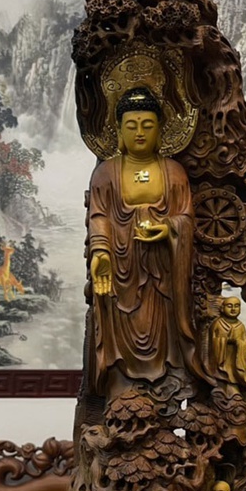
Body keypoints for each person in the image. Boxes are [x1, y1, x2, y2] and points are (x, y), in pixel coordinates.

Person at [87, 86, 201, 395]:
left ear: (160, 130)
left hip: (162, 270)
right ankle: (121, 385)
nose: (139, 133)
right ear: (119, 131)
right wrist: (101, 254)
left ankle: (169, 380)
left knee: (162, 327)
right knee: (121, 322)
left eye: (148, 125)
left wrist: (169, 229)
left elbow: (186, 217)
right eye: (132, 125)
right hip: (122, 267)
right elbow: (99, 215)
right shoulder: (106, 173)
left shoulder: (174, 172)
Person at [210, 296, 246, 390]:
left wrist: (239, 343)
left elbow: (244, 342)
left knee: (235, 378)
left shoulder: (240, 326)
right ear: (222, 308)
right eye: (229, 306)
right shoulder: (218, 324)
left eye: (236, 306)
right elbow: (213, 341)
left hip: (235, 360)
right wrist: (223, 341)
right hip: (223, 359)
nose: (233, 309)